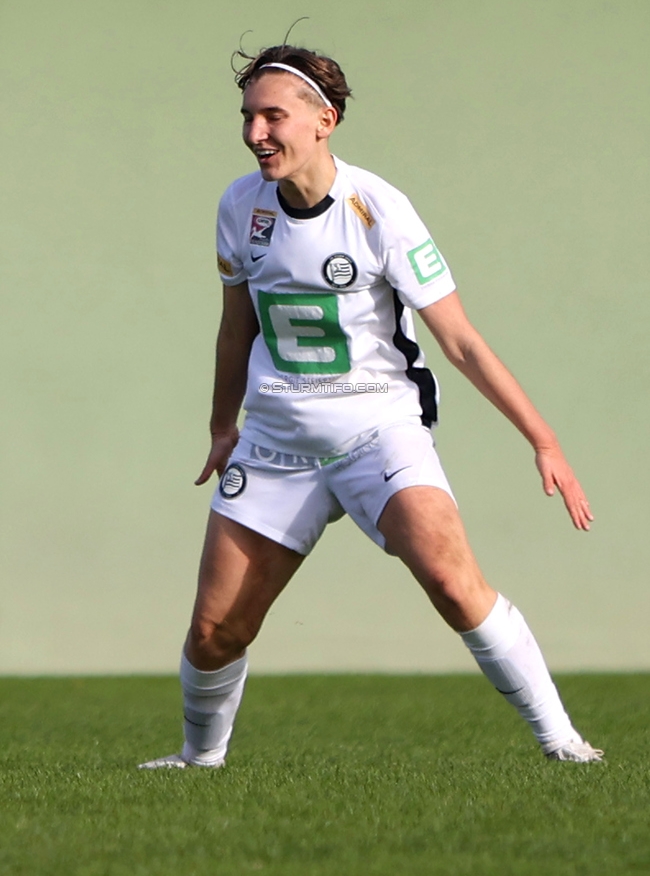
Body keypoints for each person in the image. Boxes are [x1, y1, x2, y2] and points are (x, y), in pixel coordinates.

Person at [139, 42, 603, 769]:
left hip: (378, 429)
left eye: (273, 116)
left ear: (325, 120)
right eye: (248, 117)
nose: (256, 133)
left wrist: (542, 439)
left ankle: (563, 742)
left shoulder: (379, 208)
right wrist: (222, 427)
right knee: (214, 632)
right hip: (276, 441)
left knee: (453, 583)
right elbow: (237, 326)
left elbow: (461, 341)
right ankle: (199, 762)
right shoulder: (239, 205)